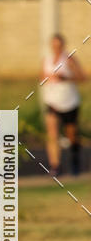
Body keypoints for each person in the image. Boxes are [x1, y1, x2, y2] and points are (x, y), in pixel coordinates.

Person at [41, 33, 85, 177]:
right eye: (54, 45)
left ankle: (75, 159)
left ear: (63, 45)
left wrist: (65, 78)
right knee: (52, 133)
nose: (56, 48)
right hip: (52, 102)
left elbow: (82, 77)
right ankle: (55, 166)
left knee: (71, 134)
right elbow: (42, 77)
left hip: (69, 102)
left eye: (59, 45)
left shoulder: (69, 59)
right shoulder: (46, 60)